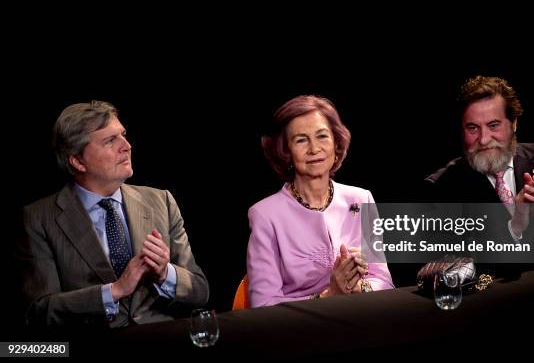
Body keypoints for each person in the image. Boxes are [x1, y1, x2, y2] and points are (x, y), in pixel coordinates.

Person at [17, 101, 209, 326]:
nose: (126, 146)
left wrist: (166, 273)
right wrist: (114, 291)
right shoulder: (39, 219)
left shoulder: (161, 201)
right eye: (110, 141)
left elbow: (200, 292)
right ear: (78, 161)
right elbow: (38, 312)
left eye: (123, 135)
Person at [247, 95, 394, 307]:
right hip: (301, 332)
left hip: (361, 320)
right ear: (286, 151)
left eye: (322, 136)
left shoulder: (361, 199)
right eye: (301, 140)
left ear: (336, 143)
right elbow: (262, 305)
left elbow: (385, 283)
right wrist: (330, 294)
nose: (314, 148)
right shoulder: (265, 215)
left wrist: (357, 287)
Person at [425, 75, 534, 264]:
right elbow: (459, 266)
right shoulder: (443, 186)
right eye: (472, 128)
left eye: (493, 125)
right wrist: (515, 226)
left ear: (514, 123)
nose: (483, 139)